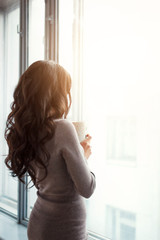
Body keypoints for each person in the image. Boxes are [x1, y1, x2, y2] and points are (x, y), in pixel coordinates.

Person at [4, 60, 96, 240]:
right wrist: (84, 156)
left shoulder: (27, 129)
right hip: (64, 228)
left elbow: (49, 178)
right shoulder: (63, 128)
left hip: (39, 222)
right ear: (55, 93)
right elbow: (87, 188)